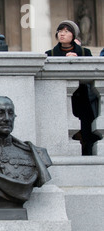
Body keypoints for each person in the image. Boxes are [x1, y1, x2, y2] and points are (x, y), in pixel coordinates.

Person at [45, 20, 100, 155]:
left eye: (66, 31)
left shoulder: (84, 52)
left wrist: (78, 60)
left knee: (86, 131)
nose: (62, 34)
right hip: (60, 100)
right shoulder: (50, 53)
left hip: (82, 99)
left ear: (73, 35)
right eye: (60, 31)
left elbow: (92, 72)